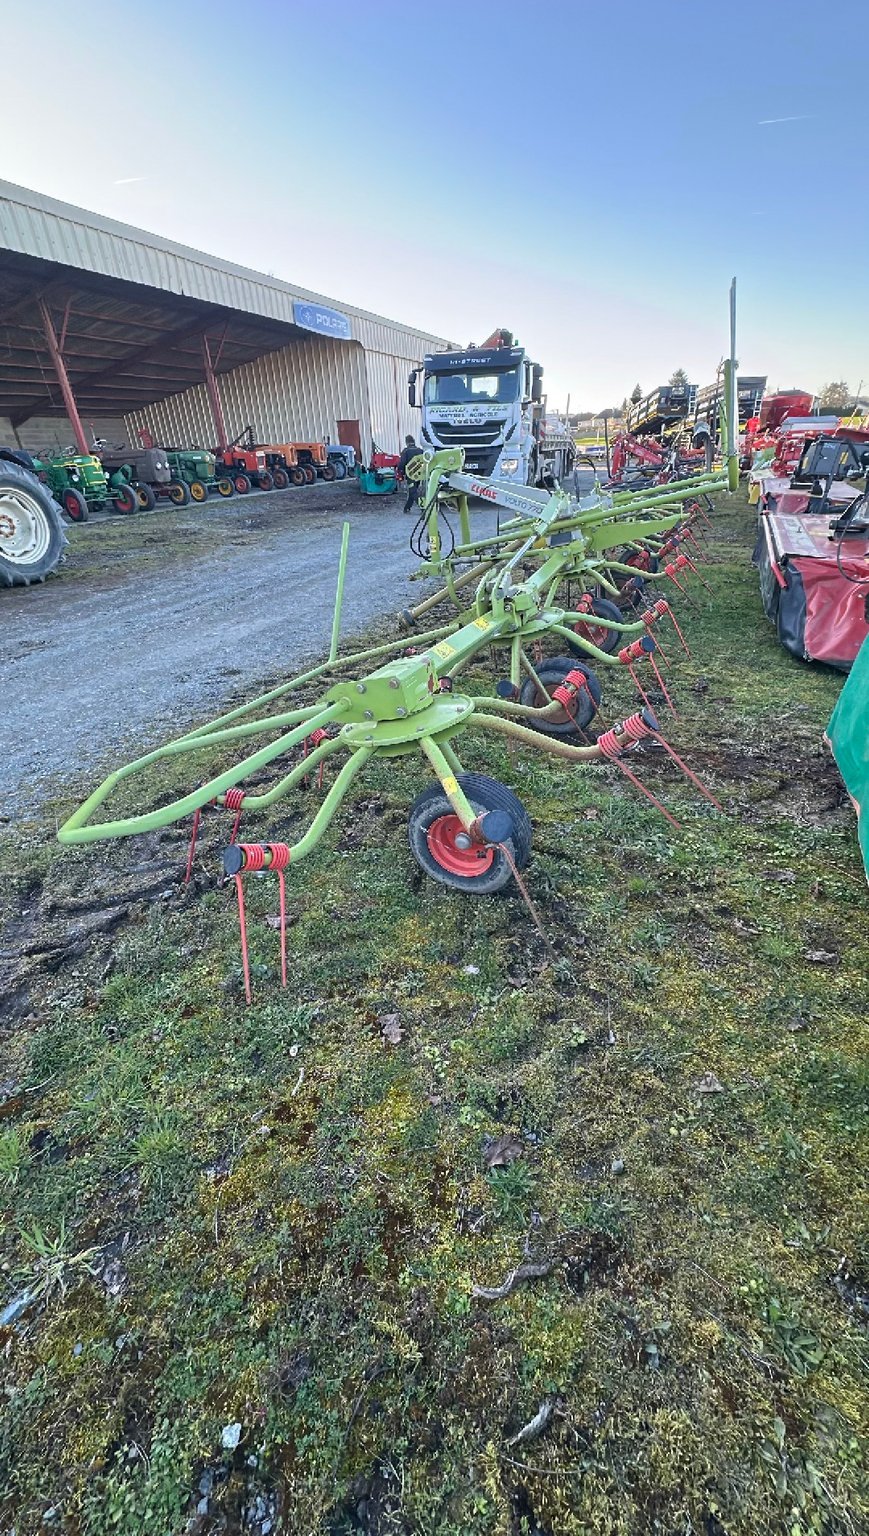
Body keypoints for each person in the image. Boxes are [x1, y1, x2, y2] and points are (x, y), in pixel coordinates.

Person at [398, 435, 421, 514]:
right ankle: (407, 508)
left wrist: (399, 470)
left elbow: (402, 464)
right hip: (420, 475)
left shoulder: (406, 451)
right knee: (413, 491)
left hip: (410, 475)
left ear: (406, 442)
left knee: (413, 491)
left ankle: (423, 506)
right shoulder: (420, 450)